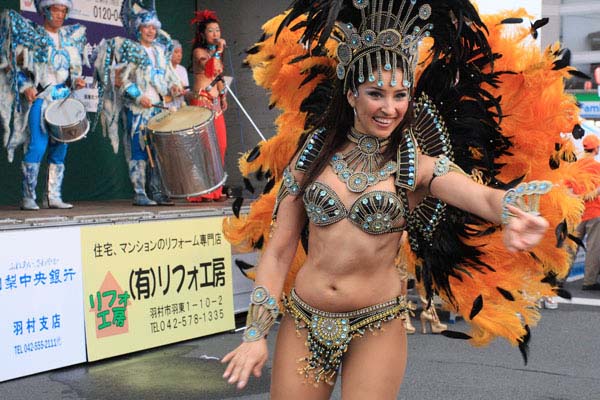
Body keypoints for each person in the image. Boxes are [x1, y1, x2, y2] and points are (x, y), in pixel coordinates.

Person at [220, 2, 557, 398]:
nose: (389, 108)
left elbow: (478, 196)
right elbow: (278, 252)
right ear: (351, 94)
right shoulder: (311, 156)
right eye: (376, 94)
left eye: (400, 95)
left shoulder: (417, 166)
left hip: (376, 324)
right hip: (305, 319)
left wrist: (510, 211)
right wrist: (255, 333)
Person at [0, 1, 88, 210]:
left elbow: (71, 72)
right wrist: (26, 87)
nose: (59, 15)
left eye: (63, 11)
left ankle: (53, 196)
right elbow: (14, 67)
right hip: (41, 98)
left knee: (60, 148)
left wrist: (76, 82)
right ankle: (28, 197)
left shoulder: (69, 39)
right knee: (37, 146)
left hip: (63, 100)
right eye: (55, 10)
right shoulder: (32, 36)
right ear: (45, 11)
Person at [95, 0, 182, 206]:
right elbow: (120, 81)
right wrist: (138, 96)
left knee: (158, 150)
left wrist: (174, 88)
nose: (151, 31)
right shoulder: (130, 49)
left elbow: (168, 77)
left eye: (153, 27)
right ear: (139, 28)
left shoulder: (160, 51)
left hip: (158, 110)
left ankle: (157, 191)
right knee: (138, 150)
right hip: (138, 110)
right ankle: (140, 192)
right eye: (146, 27)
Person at [187, 10, 228, 202]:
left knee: (221, 144)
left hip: (215, 103)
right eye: (211, 31)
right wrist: (219, 51)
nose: (215, 34)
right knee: (205, 147)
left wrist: (223, 94)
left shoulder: (215, 53)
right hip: (202, 101)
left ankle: (216, 189)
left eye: (217, 30)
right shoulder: (199, 52)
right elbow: (210, 68)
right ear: (203, 34)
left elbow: (218, 76)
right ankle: (201, 190)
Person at [574, 134, 600, 291]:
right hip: (595, 212)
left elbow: (567, 188)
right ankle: (589, 281)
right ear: (596, 149)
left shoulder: (575, 167)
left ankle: (558, 279)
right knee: (593, 248)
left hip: (577, 212)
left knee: (570, 246)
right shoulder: (597, 167)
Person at [164, 40, 189, 110]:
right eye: (176, 52)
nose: (179, 55)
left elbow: (186, 90)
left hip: (180, 107)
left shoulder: (182, 69)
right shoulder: (163, 70)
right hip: (167, 108)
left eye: (181, 52)